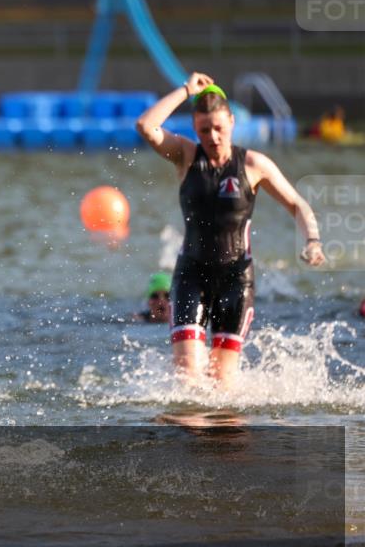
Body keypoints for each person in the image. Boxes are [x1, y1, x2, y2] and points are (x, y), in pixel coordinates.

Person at [136, 72, 326, 389]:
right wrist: (185, 90)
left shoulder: (253, 165)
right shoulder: (185, 156)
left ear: (232, 123)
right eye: (204, 130)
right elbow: (145, 126)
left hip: (236, 280)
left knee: (222, 388)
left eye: (219, 128)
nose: (212, 137)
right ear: (195, 128)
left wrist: (313, 240)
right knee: (188, 381)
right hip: (191, 276)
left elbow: (297, 204)